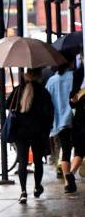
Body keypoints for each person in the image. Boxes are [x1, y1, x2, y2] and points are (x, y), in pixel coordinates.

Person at [6, 68, 53, 204]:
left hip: (21, 132)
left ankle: (23, 192)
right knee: (38, 161)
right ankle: (37, 187)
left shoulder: (18, 90)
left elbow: (7, 105)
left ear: (26, 75)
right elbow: (49, 113)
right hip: (38, 132)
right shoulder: (43, 92)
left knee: (22, 161)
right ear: (39, 76)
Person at [46, 59, 76, 193]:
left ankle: (66, 182)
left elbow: (48, 102)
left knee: (66, 151)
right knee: (80, 150)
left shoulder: (51, 81)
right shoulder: (75, 76)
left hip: (60, 122)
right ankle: (72, 175)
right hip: (76, 118)